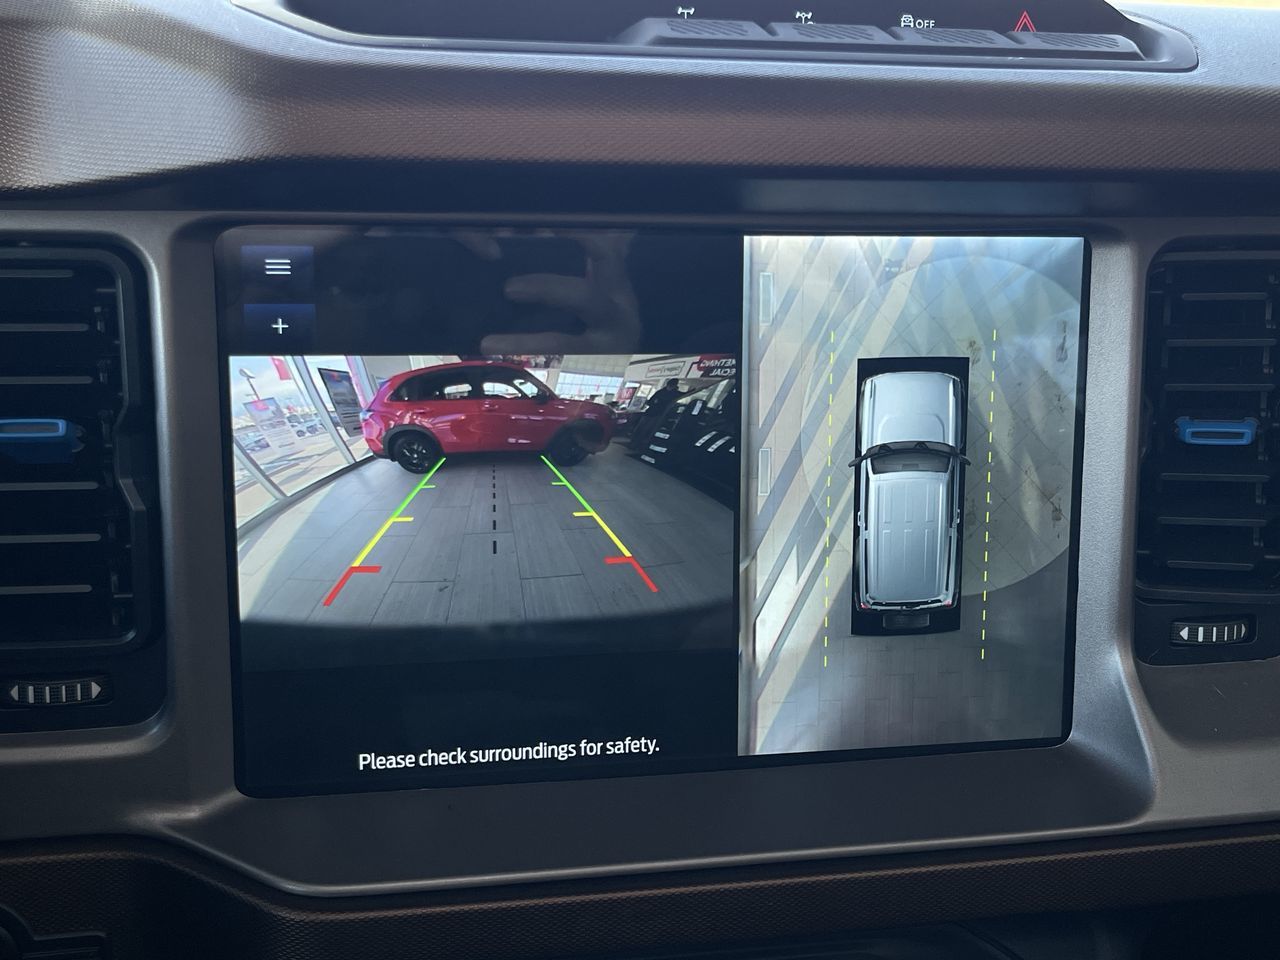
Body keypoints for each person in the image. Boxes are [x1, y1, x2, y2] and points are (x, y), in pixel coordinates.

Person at [630, 378, 685, 451]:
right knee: (644, 429)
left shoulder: (663, 392)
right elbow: (650, 402)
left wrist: (656, 403)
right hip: (655, 414)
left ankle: (637, 444)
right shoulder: (672, 393)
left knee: (645, 429)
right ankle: (636, 444)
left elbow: (650, 402)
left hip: (655, 414)